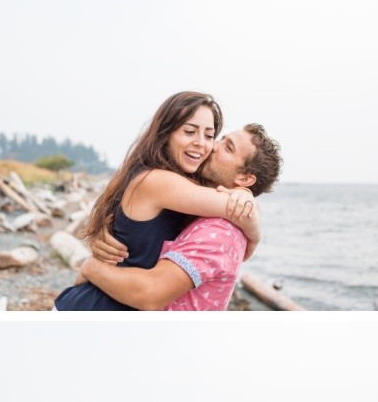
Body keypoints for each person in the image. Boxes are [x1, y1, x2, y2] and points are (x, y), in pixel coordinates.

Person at [53, 91, 261, 311]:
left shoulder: (183, 185)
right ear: (165, 133)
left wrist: (244, 193)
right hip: (91, 310)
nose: (202, 144)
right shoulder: (158, 181)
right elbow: (235, 210)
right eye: (189, 131)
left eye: (209, 135)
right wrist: (254, 235)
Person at [77, 124, 283, 310]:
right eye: (220, 138)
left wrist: (92, 267)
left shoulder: (220, 231)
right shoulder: (189, 204)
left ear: (245, 178)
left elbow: (150, 293)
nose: (212, 146)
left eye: (228, 147)